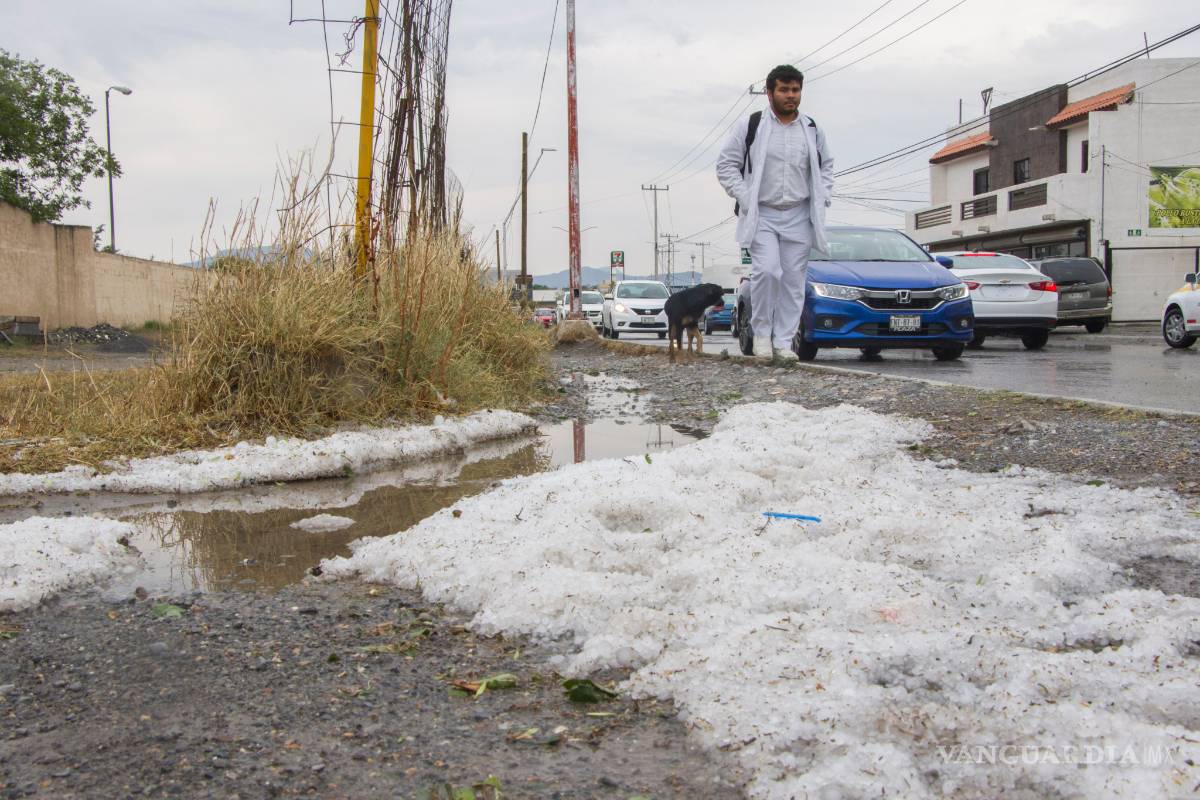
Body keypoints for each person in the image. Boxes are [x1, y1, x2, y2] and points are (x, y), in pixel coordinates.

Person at [716, 64, 834, 360]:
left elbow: (826, 167)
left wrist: (824, 196)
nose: (790, 96)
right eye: (783, 89)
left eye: (795, 90)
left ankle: (783, 342)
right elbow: (726, 165)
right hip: (763, 213)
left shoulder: (811, 128)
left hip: (799, 214)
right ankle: (762, 336)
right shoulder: (752, 125)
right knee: (767, 272)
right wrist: (745, 197)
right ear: (769, 92)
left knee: (794, 280)